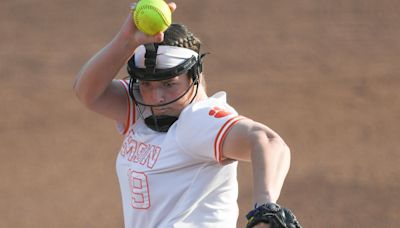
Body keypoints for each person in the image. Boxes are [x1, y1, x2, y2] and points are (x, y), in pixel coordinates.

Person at [73, 2, 300, 228]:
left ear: (195, 76)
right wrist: (126, 41)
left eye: (169, 83)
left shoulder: (197, 120)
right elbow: (88, 93)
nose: (157, 97)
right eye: (146, 85)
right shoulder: (142, 110)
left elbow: (268, 141)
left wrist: (266, 207)